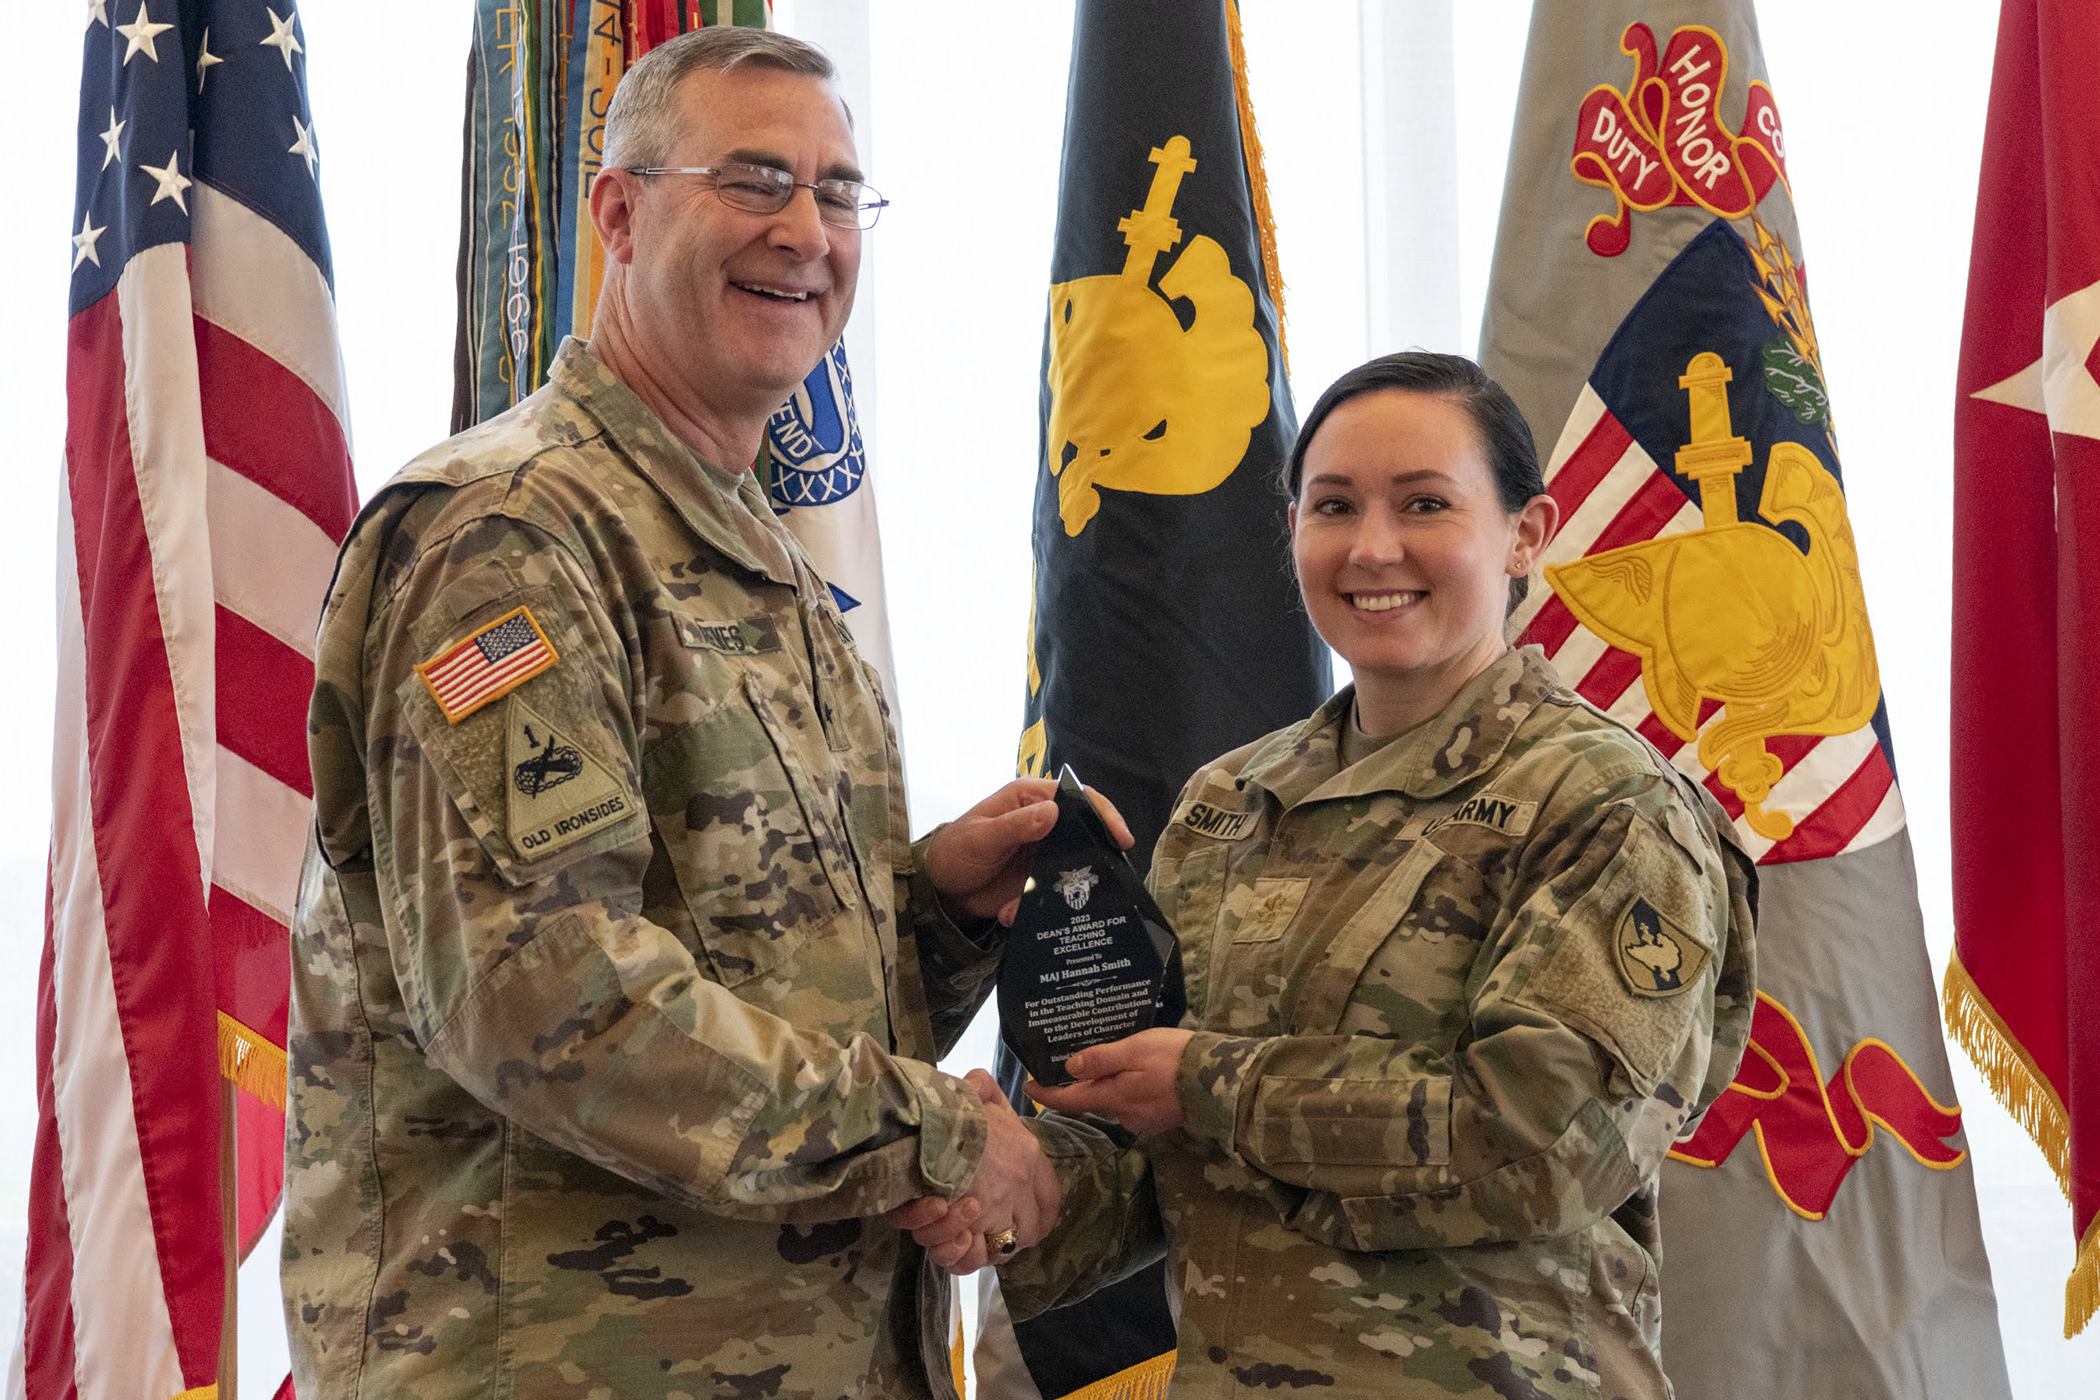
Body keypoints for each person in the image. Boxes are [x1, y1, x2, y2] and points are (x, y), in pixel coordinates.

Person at [283, 28, 1112, 1399]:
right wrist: (940, 1140)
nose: (806, 231)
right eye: (755, 180)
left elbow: (754, 973)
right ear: (617, 211)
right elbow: (543, 998)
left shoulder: (764, 561)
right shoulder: (513, 536)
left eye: (841, 195)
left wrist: (943, 917)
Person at [899, 352, 1758, 1397]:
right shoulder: (1227, 801)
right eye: (1334, 505)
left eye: (1425, 503)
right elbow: (1161, 1150)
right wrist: (1023, 1184)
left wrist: (1209, 1081)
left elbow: (1545, 1142)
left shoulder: (1604, 804)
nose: (1373, 547)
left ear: (1527, 533)